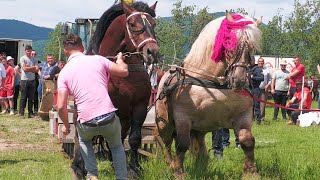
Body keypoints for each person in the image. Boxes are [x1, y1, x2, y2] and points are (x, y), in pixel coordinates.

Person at [57, 34, 128, 180]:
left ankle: (92, 175)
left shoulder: (64, 73)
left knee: (84, 140)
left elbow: (60, 106)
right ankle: (122, 177)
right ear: (82, 48)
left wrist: (66, 126)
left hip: (86, 122)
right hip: (108, 118)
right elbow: (124, 72)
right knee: (116, 147)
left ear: (65, 51)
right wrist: (120, 59)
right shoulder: (98, 59)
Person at [20, 45, 39, 119]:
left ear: (31, 51)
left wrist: (29, 68)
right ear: (25, 51)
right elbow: (24, 69)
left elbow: (37, 70)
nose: (29, 52)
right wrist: (33, 67)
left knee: (31, 98)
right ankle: (21, 113)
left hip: (32, 80)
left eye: (30, 51)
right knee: (23, 97)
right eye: (27, 51)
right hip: (24, 80)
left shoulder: (34, 59)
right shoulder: (22, 58)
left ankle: (30, 113)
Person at [250, 58, 264, 124]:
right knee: (250, 105)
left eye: (251, 60)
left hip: (256, 88)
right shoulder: (248, 68)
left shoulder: (257, 69)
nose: (250, 61)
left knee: (256, 104)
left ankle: (258, 120)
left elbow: (262, 78)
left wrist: (253, 77)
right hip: (248, 89)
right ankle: (251, 119)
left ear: (253, 61)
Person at [31, 50, 40, 115]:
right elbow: (17, 68)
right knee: (29, 95)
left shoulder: (39, 62)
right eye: (32, 54)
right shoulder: (28, 61)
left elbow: (41, 71)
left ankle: (36, 110)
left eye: (35, 54)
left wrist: (41, 77)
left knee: (35, 95)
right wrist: (21, 75)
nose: (33, 55)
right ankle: (29, 110)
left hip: (36, 80)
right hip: (28, 80)